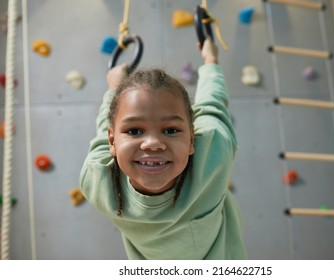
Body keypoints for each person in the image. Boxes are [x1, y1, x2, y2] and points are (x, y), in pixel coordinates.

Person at [80, 38, 247, 259]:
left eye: (170, 130)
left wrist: (211, 61)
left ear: (191, 140)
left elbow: (212, 104)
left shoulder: (212, 152)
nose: (153, 143)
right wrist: (210, 59)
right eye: (134, 131)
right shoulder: (99, 181)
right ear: (114, 143)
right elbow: (106, 129)